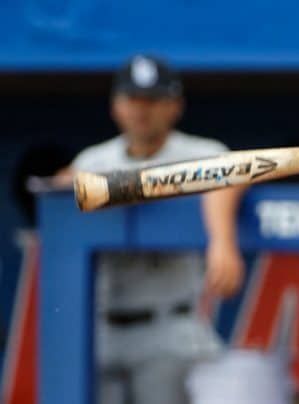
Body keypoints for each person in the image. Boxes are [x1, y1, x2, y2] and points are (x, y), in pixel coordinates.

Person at [69, 54, 245, 404]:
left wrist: (223, 242)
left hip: (168, 323)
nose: (141, 110)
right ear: (116, 105)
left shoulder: (200, 152)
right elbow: (58, 206)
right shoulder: (92, 161)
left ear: (175, 106)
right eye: (133, 99)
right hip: (101, 326)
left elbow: (234, 172)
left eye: (152, 100)